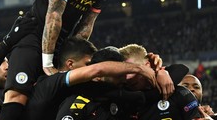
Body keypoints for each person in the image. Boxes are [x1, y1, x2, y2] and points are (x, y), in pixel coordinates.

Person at [24, 38, 157, 120]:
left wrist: (162, 73)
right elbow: (97, 70)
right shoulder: (51, 85)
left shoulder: (92, 88)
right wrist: (139, 68)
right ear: (70, 64)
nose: (91, 67)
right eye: (88, 64)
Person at [55, 46, 158, 120]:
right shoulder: (78, 103)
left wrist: (161, 73)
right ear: (98, 76)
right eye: (117, 74)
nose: (124, 78)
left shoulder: (126, 96)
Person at [119, 43, 200, 120]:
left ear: (147, 66)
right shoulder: (120, 101)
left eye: (133, 70)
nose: (127, 78)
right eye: (123, 72)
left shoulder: (180, 94)